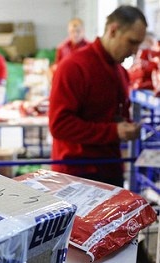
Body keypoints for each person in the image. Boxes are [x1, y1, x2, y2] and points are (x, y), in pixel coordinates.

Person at [48, 5, 147, 187]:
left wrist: (125, 126)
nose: (135, 51)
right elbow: (59, 125)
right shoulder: (74, 67)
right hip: (76, 175)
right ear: (113, 31)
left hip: (110, 169)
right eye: (131, 42)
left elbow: (113, 116)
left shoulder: (120, 72)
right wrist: (114, 131)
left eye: (138, 44)